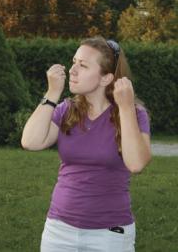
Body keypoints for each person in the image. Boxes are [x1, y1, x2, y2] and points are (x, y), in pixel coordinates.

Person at [21, 36, 151, 252]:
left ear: (105, 78)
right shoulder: (66, 109)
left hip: (110, 234)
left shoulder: (134, 114)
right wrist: (52, 93)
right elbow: (30, 141)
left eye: (82, 65)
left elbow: (136, 163)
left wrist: (125, 107)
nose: (72, 70)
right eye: (74, 62)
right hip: (58, 230)